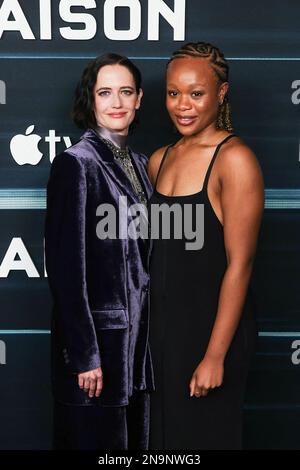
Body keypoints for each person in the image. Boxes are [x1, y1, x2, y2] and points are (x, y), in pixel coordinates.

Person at [147, 42, 264, 450]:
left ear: (221, 93)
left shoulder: (235, 159)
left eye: (196, 94)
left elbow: (241, 266)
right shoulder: (158, 159)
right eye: (173, 92)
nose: (183, 105)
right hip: (163, 335)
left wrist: (215, 356)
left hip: (212, 333)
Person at [45, 53, 154, 450]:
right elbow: (64, 269)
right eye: (104, 92)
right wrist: (85, 354)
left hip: (138, 353)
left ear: (139, 98)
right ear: (90, 100)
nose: (117, 102)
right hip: (99, 354)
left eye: (125, 91)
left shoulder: (142, 165)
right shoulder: (76, 163)